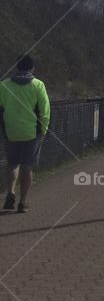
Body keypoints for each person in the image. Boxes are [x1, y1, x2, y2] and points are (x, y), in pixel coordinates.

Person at [0, 55, 51, 213]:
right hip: (31, 132)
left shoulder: (4, 85)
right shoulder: (38, 85)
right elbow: (45, 110)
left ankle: (10, 193)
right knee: (27, 166)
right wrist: (44, 129)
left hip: (10, 130)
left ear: (17, 67)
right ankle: (23, 202)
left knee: (12, 163)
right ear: (32, 68)